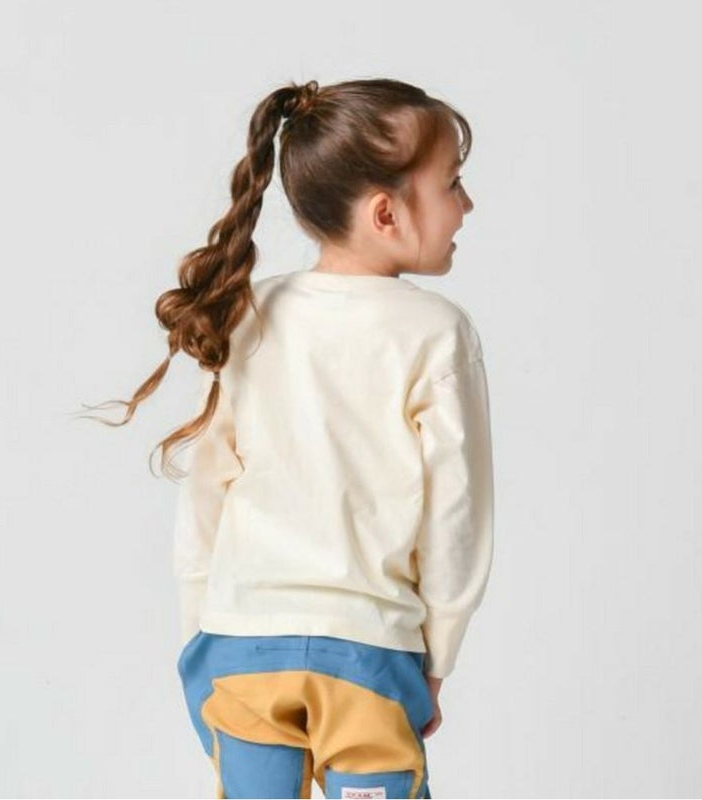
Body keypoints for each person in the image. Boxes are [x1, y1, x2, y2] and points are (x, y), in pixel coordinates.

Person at [87, 77, 494, 799]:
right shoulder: (436, 331)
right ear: (386, 212)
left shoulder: (254, 311)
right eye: (453, 184)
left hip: (239, 649)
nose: (467, 205)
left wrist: (198, 630)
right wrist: (438, 656)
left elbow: (208, 490)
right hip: (367, 657)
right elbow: (456, 513)